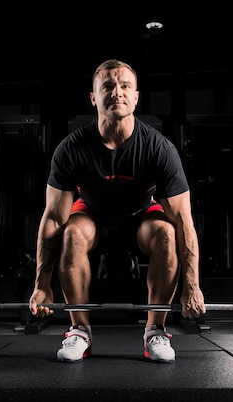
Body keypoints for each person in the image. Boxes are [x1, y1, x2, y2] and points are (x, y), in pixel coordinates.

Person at [28, 59, 206, 363]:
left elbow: (184, 222)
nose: (117, 92)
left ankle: (156, 331)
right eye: (107, 86)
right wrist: (41, 284)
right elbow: (54, 218)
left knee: (166, 231)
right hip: (92, 214)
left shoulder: (159, 149)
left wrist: (192, 285)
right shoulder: (72, 148)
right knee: (71, 233)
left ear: (136, 97)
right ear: (93, 97)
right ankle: (79, 331)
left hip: (140, 215)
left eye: (125, 86)